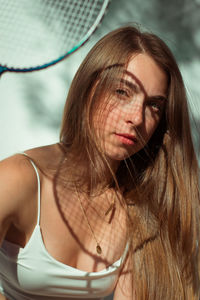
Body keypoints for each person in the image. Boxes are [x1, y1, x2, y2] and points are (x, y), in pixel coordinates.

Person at [0, 25, 199, 300]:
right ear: (87, 89)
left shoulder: (140, 207)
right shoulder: (17, 179)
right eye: (122, 92)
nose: (137, 119)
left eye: (154, 105)